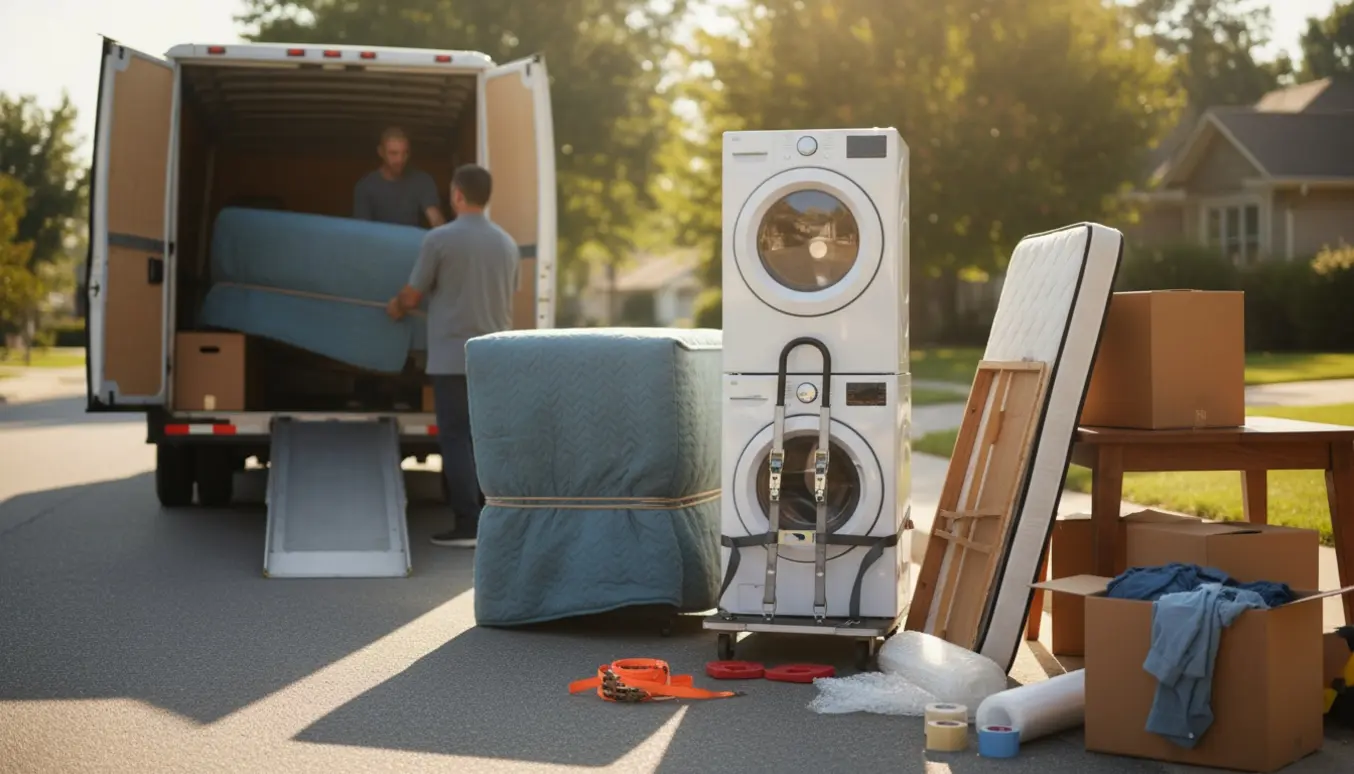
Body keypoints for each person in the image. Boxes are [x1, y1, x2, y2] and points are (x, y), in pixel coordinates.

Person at [386, 164, 519, 548]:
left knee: (456, 437)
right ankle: (491, 517)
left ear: (457, 194)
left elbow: (414, 294)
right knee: (485, 438)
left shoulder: (439, 240)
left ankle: (468, 522)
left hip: (450, 357)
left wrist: (396, 307)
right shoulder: (507, 244)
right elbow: (508, 294)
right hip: (494, 358)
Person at [353, 127, 447, 228]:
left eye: (405, 153)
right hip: (378, 242)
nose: (400, 160)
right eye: (394, 153)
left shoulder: (422, 181)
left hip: (411, 242)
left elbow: (436, 220)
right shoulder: (366, 186)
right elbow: (362, 229)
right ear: (381, 152)